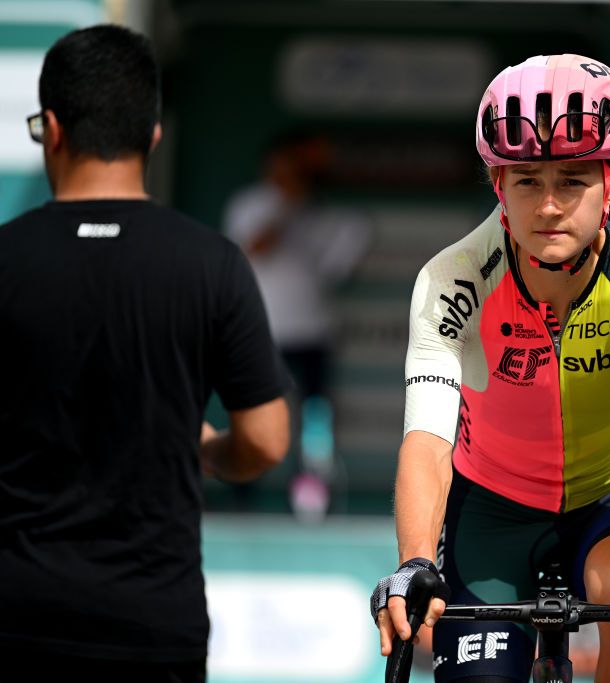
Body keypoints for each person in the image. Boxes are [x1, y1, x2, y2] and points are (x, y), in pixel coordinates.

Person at [371, 54, 610, 682]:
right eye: (526, 181)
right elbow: (428, 442)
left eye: (572, 180)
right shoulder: (449, 280)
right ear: (498, 188)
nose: (548, 206)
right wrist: (413, 560)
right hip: (493, 502)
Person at [0, 24, 290, 681]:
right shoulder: (211, 264)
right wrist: (209, 447)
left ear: (51, 127)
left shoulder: (6, 258)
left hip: (17, 615)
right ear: (152, 133)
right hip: (155, 623)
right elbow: (267, 441)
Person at [224, 130, 371, 520]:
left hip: (312, 332)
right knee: (252, 417)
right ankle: (242, 500)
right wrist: (288, 205)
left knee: (314, 421)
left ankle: (311, 500)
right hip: (259, 333)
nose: (292, 173)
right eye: (286, 164)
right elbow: (255, 246)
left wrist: (306, 204)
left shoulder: (324, 212)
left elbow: (339, 268)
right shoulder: (250, 204)